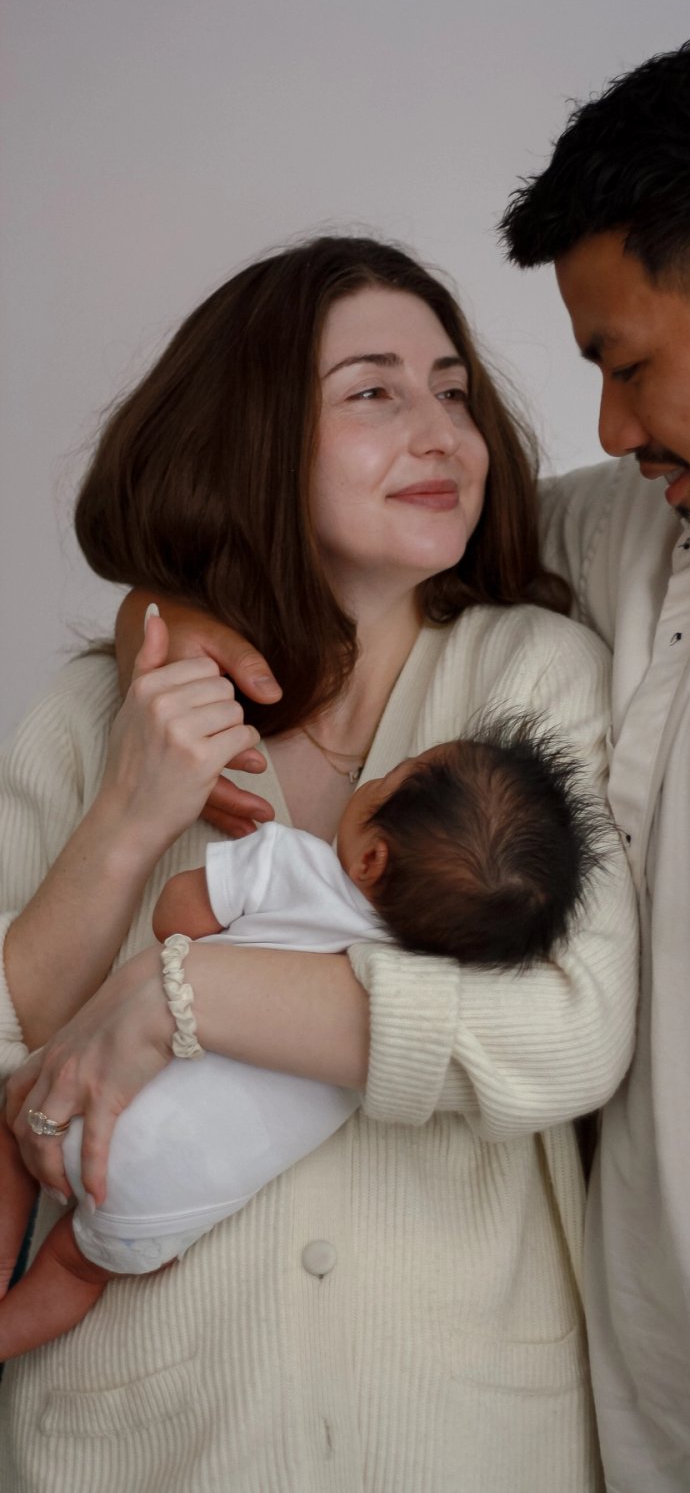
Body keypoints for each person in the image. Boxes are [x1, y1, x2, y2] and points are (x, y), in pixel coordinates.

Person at [122, 32, 690, 1493]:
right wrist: (180, 608)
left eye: (630, 365)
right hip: (651, 1450)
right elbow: (338, 528)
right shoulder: (648, 541)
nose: (605, 429)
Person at [0, 237, 638, 1491]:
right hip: (138, 1444)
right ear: (252, 436)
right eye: (372, 391)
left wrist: (180, 993)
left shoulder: (530, 680)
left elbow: (570, 1030)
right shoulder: (93, 712)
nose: (441, 432)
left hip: (465, 1438)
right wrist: (130, 814)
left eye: (453, 390)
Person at [0, 712, 609, 1363]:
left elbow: (176, 912)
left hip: (86, 1118)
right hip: (167, 1215)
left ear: (372, 858)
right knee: (71, 1273)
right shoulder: (415, 988)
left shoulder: (291, 864)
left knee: (13, 1133)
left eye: (390, 781)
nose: (375, 779)